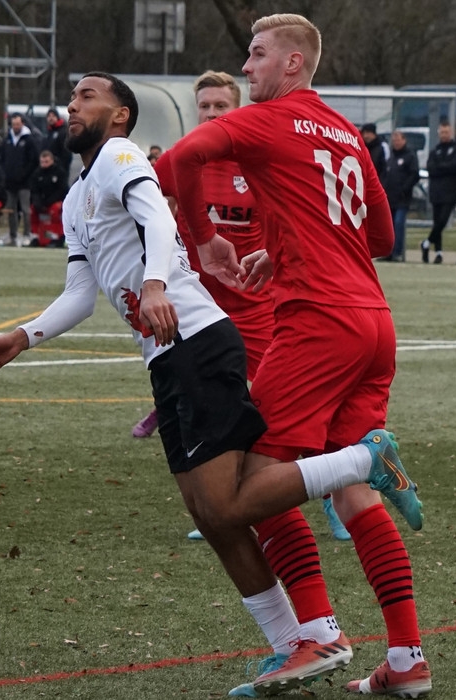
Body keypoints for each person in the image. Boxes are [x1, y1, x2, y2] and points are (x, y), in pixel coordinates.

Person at [0, 71, 423, 698]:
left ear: (121, 115)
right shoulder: (78, 197)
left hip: (202, 339)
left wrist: (157, 284)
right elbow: (81, 292)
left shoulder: (122, 155)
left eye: (87, 96)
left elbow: (160, 222)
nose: (72, 105)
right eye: (71, 96)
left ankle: (361, 466)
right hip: (167, 355)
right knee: (211, 514)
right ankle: (295, 640)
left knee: (235, 501)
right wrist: (23, 337)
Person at [171, 15, 430, 696]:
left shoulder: (267, 119)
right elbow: (380, 235)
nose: (246, 66)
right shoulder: (346, 130)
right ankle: (407, 660)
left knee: (252, 486)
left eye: (256, 54)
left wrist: (206, 240)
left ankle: (317, 634)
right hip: (373, 323)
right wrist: (278, 248)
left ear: (292, 63)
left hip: (318, 323)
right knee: (349, 493)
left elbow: (180, 161)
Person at [148, 69, 350, 545]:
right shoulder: (178, 161)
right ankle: (223, 505)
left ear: (236, 109)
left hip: (257, 311)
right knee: (213, 412)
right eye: (204, 106)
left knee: (279, 411)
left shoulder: (257, 160)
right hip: (199, 315)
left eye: (221, 106)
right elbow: (145, 208)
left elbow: (295, 223)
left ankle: (331, 492)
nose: (211, 113)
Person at [421, 122, 456, 264]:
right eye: (442, 132)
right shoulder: (435, 151)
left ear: (451, 133)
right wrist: (444, 168)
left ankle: (427, 242)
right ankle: (438, 252)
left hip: (451, 190)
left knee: (442, 221)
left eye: (446, 132)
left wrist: (441, 168)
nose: (444, 135)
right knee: (437, 222)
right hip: (436, 191)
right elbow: (431, 168)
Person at [1, 112, 40, 246]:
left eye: (18, 124)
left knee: (25, 209)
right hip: (10, 182)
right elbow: (3, 158)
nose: (16, 126)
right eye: (14, 124)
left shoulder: (29, 140)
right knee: (11, 209)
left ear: (22, 124)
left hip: (24, 182)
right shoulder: (7, 139)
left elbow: (33, 160)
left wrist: (24, 174)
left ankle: (27, 234)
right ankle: (12, 234)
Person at [380, 130, 419, 262]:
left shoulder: (410, 156)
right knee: (388, 226)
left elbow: (414, 175)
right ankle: (388, 252)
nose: (396, 142)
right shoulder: (391, 158)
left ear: (404, 140)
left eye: (398, 140)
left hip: (402, 198)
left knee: (398, 223)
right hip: (390, 198)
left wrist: (404, 189)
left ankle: (397, 252)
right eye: (394, 140)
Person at [28, 149, 69, 247]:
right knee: (33, 210)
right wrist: (38, 203)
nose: (44, 164)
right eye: (42, 162)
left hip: (55, 201)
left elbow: (62, 190)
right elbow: (34, 190)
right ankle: (35, 236)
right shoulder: (37, 173)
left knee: (55, 210)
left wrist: (48, 202)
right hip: (42, 202)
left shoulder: (60, 172)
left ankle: (56, 238)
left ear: (52, 160)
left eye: (46, 161)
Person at [43, 108, 72, 174]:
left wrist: (62, 168)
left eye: (53, 116)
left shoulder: (63, 131)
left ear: (57, 117)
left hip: (59, 170)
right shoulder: (49, 132)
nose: (51, 118)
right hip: (48, 168)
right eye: (49, 116)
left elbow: (66, 153)